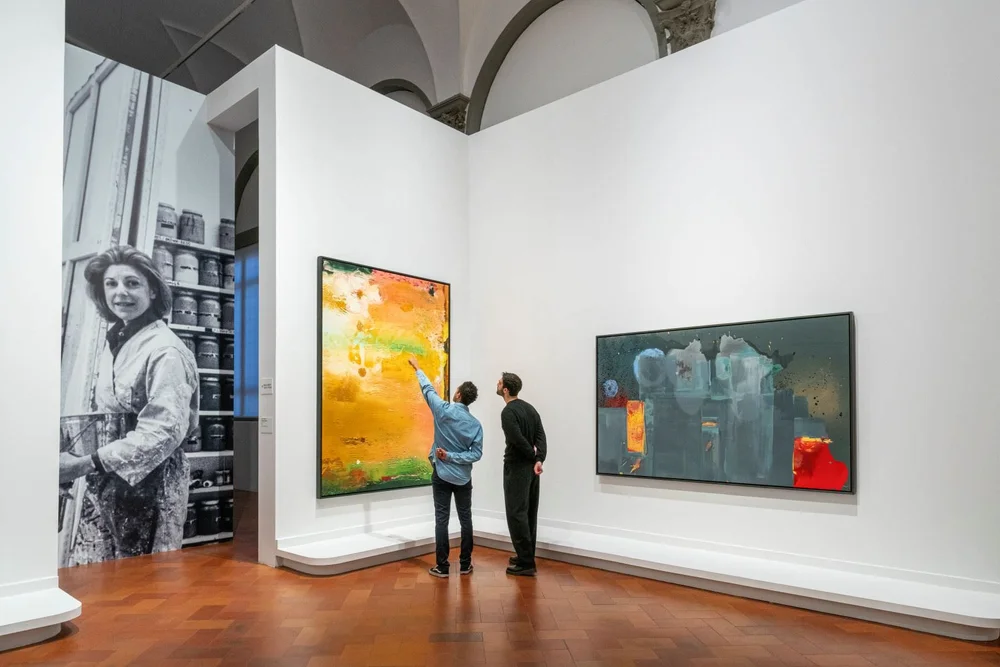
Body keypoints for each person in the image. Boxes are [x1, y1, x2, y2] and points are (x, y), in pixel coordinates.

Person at [59, 245, 200, 565]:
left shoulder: (165, 350)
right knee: (102, 574)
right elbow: (107, 413)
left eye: (132, 283)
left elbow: (162, 432)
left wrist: (84, 464)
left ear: (152, 291)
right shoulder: (118, 341)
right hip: (109, 481)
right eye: (111, 284)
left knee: (141, 580)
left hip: (151, 486)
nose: (120, 292)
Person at [409, 356, 483, 578]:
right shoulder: (475, 425)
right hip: (463, 478)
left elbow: (428, 390)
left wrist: (417, 367)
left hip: (441, 474)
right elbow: (476, 454)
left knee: (441, 519)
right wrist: (454, 457)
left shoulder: (442, 410)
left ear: (458, 395)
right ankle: (465, 564)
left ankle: (442, 567)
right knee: (465, 519)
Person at [497, 372, 546, 576]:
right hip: (532, 469)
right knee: (529, 512)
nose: (497, 384)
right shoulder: (530, 409)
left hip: (517, 467)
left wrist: (532, 456)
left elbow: (516, 439)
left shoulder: (508, 412)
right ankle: (526, 555)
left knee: (516, 513)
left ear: (505, 389)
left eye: (500, 382)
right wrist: (538, 459)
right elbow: (541, 436)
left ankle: (526, 563)